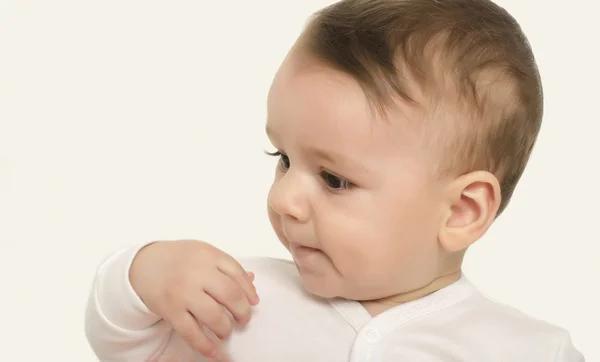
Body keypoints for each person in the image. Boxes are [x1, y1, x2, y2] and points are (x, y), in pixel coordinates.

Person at [84, 0, 585, 361]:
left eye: (333, 179)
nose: (283, 199)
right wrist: (145, 273)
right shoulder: (238, 299)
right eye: (282, 158)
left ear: (461, 210)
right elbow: (122, 339)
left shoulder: (530, 350)